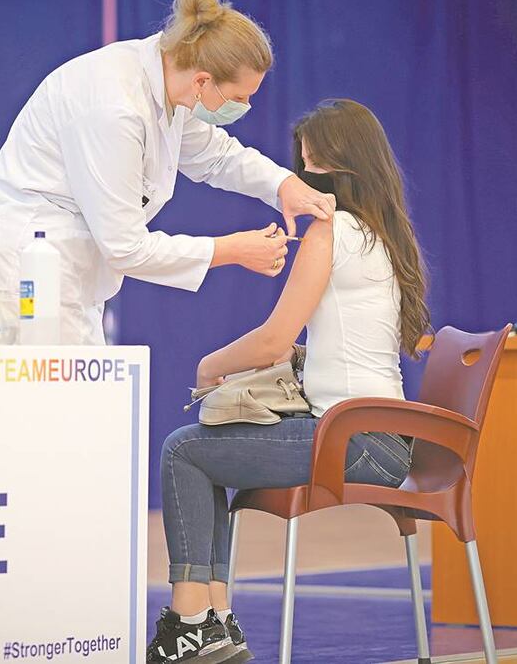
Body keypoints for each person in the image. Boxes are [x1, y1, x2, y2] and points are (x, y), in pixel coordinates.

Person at [146, 99, 431, 663]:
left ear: (331, 168)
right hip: (382, 438)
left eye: (307, 171)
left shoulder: (333, 232)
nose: (302, 186)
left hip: (352, 438)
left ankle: (194, 622)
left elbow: (275, 338)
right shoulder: (381, 233)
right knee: (206, 453)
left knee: (184, 452)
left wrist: (210, 366)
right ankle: (210, 622)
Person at [0, 0, 337, 344]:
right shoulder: (115, 107)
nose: (245, 107)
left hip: (70, 278)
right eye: (239, 97)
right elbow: (125, 247)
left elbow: (217, 155)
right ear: (203, 81)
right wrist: (232, 250)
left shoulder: (171, 82)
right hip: (31, 275)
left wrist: (283, 184)